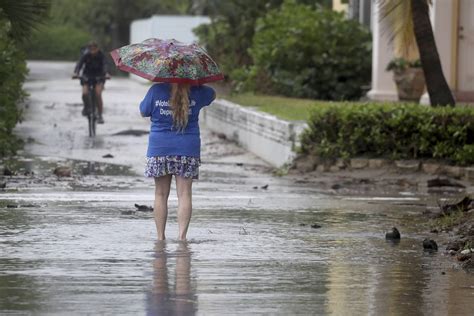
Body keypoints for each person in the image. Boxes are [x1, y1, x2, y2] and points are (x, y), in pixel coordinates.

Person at [140, 82, 216, 240]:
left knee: (160, 194)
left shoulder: (156, 90)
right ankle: (182, 237)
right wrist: (198, 83)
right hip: (187, 149)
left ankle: (160, 237)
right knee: (184, 195)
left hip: (160, 149)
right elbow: (213, 94)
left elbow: (143, 111)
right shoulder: (198, 91)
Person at [73, 41, 110, 124]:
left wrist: (107, 73)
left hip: (99, 76)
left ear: (98, 48)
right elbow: (79, 64)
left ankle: (100, 115)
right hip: (87, 76)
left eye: (94, 48)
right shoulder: (85, 55)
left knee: (98, 93)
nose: (92, 50)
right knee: (85, 93)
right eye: (90, 49)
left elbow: (106, 65)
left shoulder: (102, 55)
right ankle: (86, 107)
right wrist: (76, 73)